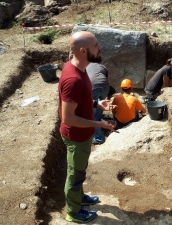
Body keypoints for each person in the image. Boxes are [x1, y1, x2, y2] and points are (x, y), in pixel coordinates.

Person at [58, 31, 117, 223]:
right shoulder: (73, 79)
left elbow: (78, 101)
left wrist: (96, 105)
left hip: (82, 135)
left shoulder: (79, 69)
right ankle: (73, 212)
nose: (100, 48)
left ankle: (80, 198)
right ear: (83, 50)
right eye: (96, 45)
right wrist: (99, 123)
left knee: (79, 170)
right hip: (76, 136)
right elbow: (68, 118)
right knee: (75, 175)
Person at [86, 63, 110, 144]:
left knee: (92, 115)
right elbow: (106, 78)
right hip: (105, 88)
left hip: (93, 88)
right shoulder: (103, 66)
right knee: (99, 106)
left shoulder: (85, 66)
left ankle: (99, 138)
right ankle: (98, 123)